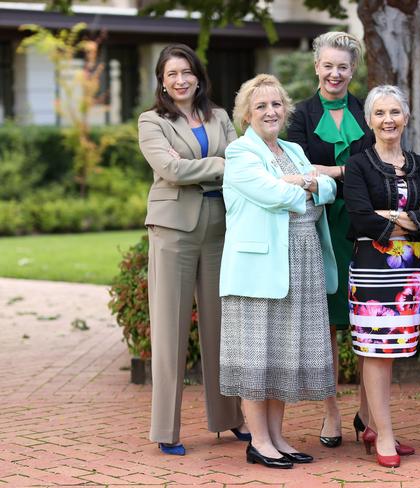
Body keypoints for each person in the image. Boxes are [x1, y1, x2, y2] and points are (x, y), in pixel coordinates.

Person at [219, 74, 338, 469]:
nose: (270, 112)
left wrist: (299, 181)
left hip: (300, 262)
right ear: (246, 115)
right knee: (257, 354)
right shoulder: (239, 153)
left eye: (276, 105)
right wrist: (305, 184)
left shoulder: (293, 148)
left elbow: (329, 192)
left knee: (282, 352)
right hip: (257, 268)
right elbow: (274, 195)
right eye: (261, 106)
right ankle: (258, 442)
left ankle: (276, 437)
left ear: (285, 109)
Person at [137, 43, 247, 456]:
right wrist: (219, 165)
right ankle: (165, 429)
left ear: (198, 76)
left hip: (220, 229)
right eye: (171, 74)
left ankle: (229, 419)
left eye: (186, 72)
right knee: (170, 330)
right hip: (173, 232)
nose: (180, 80)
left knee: (222, 329)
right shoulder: (152, 121)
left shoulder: (219, 116)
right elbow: (168, 170)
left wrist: (199, 166)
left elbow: (241, 158)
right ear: (162, 83)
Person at [344, 85, 420, 468]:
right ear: (369, 120)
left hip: (409, 273)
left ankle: (372, 424)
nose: (388, 120)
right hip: (371, 270)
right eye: (380, 113)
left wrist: (393, 218)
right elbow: (359, 216)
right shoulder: (358, 165)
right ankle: (383, 433)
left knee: (395, 351)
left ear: (406, 117)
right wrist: (412, 217)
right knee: (376, 351)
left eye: (395, 113)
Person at [287, 31, 374, 447]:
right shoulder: (300, 114)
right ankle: (330, 412)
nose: (335, 73)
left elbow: (376, 163)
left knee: (366, 320)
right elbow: (301, 168)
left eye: (343, 66)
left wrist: (332, 172)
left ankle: (367, 411)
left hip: (362, 225)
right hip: (320, 225)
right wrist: (346, 172)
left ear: (352, 69)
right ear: (316, 66)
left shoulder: (369, 110)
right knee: (329, 325)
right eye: (328, 65)